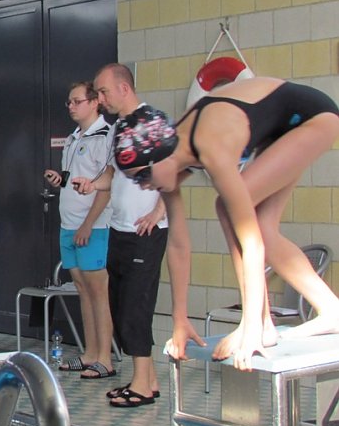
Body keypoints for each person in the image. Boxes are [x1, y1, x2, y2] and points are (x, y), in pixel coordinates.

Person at [110, 75, 339, 371]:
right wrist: (180, 320)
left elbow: (250, 239)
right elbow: (178, 245)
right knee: (263, 226)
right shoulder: (171, 158)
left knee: (231, 210)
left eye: (142, 176)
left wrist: (249, 329)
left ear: (159, 157)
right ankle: (329, 310)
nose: (142, 186)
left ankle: (258, 323)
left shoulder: (209, 145)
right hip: (281, 127)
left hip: (313, 117)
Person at [73, 63, 168, 406]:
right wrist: (91, 184)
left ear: (124, 88)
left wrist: (158, 212)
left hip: (146, 231)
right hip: (120, 228)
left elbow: (173, 170)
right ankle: (148, 379)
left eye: (103, 91)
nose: (101, 98)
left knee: (134, 309)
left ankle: (141, 388)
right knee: (121, 303)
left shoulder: (151, 122)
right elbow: (113, 176)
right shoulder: (120, 129)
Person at [44, 82, 115, 380]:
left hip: (93, 226)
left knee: (99, 292)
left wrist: (88, 224)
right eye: (69, 102)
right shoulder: (73, 138)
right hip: (68, 223)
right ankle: (89, 353)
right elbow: (77, 178)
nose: (71, 106)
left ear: (94, 102)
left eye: (77, 101)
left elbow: (107, 185)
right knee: (83, 291)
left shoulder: (105, 136)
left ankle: (105, 359)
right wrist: (60, 180)